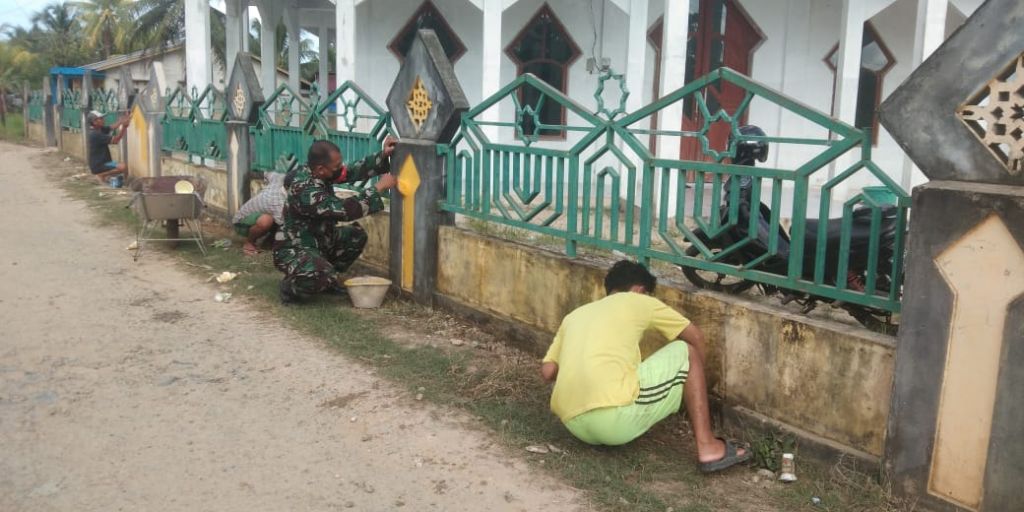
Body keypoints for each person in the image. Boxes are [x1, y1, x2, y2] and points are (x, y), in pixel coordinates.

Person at [541, 260, 750, 473]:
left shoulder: (575, 315)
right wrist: (697, 387)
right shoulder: (640, 301)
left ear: (611, 289)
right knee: (686, 351)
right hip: (612, 423)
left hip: (573, 424)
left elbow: (548, 371)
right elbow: (696, 337)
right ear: (640, 290)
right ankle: (708, 446)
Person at [273, 137, 398, 304]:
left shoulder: (319, 172)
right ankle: (292, 288)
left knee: (355, 236)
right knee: (322, 273)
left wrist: (382, 155)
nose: (341, 169)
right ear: (321, 169)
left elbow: (351, 171)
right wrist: (379, 188)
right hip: (295, 247)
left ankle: (327, 281)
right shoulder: (305, 190)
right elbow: (344, 210)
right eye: (336, 167)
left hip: (319, 239)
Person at [232, 172, 287, 255]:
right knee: (267, 220)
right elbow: (284, 226)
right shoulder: (278, 203)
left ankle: (268, 242)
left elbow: (266, 173)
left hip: (261, 216)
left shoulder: (280, 178)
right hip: (241, 222)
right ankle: (249, 243)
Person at [86, 110, 129, 184]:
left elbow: (112, 127)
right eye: (101, 119)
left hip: (104, 162)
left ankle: (105, 176)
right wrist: (124, 127)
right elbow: (116, 141)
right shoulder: (95, 134)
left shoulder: (99, 129)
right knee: (123, 167)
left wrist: (121, 121)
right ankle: (101, 175)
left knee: (122, 168)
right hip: (99, 165)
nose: (103, 120)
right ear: (94, 122)